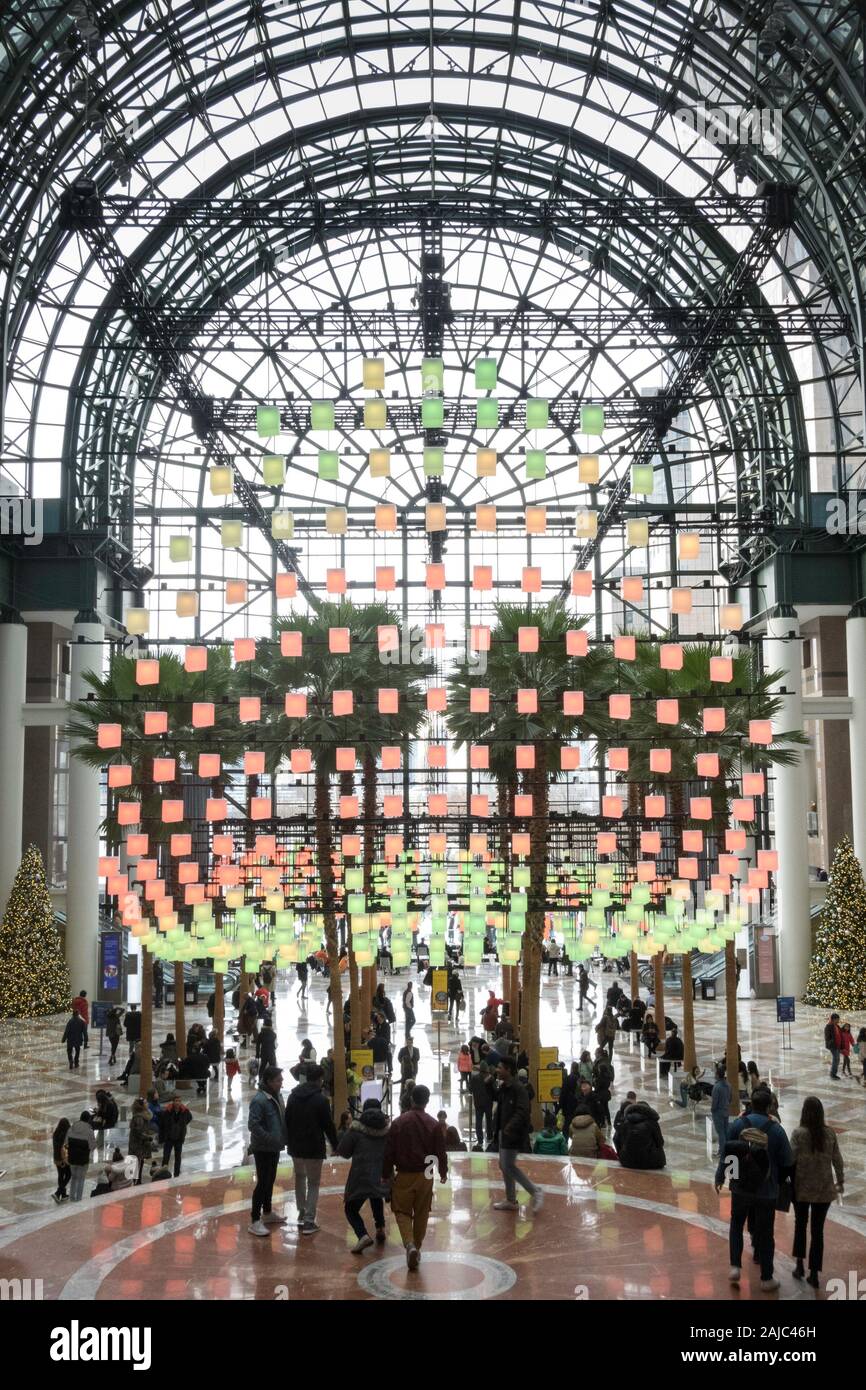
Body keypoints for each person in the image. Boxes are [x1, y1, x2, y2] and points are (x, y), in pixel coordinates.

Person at [715, 1087, 793, 1292]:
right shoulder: (776, 1130)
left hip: (740, 1187)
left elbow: (727, 1153)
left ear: (750, 1104)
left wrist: (722, 1176)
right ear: (769, 1107)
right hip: (767, 1190)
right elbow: (787, 1161)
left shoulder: (738, 1124)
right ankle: (767, 1278)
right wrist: (779, 1179)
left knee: (736, 1224)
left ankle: (735, 1266)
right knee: (766, 1234)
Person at [382, 1084, 447, 1270]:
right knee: (422, 1212)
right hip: (426, 1173)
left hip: (404, 1172)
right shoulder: (434, 1124)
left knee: (402, 1211)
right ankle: (416, 1248)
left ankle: (409, 1244)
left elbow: (389, 1151)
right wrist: (443, 1172)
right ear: (427, 1101)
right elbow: (440, 1152)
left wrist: (386, 1174)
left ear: (411, 1099)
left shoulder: (399, 1122)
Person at [790, 1095, 844, 1289]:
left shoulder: (798, 1133)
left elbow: (790, 1159)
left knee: (800, 1225)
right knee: (817, 1230)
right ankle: (814, 1273)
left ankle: (799, 1266)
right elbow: (837, 1159)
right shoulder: (829, 1134)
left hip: (801, 1188)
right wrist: (841, 1180)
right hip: (824, 1190)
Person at [284, 1063, 338, 1235]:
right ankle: (309, 1220)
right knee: (313, 1183)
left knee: (299, 1177)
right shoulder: (321, 1100)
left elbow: (287, 1120)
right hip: (313, 1147)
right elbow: (328, 1126)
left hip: (295, 1147)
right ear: (320, 1079)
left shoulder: (293, 1096)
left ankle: (301, 1212)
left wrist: (288, 1142)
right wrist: (336, 1146)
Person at [338, 1097, 391, 1253]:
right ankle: (380, 1228)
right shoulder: (387, 1129)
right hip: (381, 1174)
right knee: (376, 1197)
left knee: (350, 1208)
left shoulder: (356, 1129)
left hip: (360, 1175)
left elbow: (344, 1152)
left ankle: (362, 1235)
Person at [493, 1056, 542, 1213]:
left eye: (500, 1067)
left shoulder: (518, 1089)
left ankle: (535, 1191)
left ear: (508, 1070)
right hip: (503, 1132)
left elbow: (522, 1111)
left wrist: (509, 1126)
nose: (497, 1070)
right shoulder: (504, 1087)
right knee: (504, 1165)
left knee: (507, 1165)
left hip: (512, 1133)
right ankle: (511, 1200)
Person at [247, 1064, 288, 1236]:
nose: (281, 1083)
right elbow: (253, 1125)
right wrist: (271, 1139)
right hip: (263, 1148)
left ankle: (268, 1211)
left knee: (270, 1179)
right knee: (263, 1182)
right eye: (278, 1080)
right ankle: (255, 1220)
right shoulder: (259, 1100)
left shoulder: (276, 1096)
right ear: (269, 1081)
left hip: (274, 1147)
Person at [616, 1102, 666, 1170]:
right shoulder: (652, 1123)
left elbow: (616, 1139)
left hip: (627, 1161)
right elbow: (660, 1142)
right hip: (649, 1162)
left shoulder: (626, 1122)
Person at [157, 1096, 192, 1177]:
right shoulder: (167, 1111)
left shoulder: (185, 1111)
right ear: (173, 1102)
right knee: (166, 1156)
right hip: (169, 1138)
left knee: (178, 1157)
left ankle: (176, 1174)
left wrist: (181, 1126)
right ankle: (163, 1174)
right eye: (176, 1101)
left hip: (179, 1138)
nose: (177, 1103)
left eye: (179, 1101)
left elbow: (189, 1118)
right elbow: (162, 1124)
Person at [66, 1112, 97, 1201]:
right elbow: (93, 1146)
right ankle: (78, 1199)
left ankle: (71, 1197)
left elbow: (66, 1142)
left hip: (72, 1158)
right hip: (83, 1160)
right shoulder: (89, 1131)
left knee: (74, 1178)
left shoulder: (72, 1128)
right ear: (88, 1120)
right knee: (81, 1179)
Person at [468, 1060, 495, 1150]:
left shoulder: (474, 1078)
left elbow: (470, 1089)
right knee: (489, 1120)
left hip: (478, 1102)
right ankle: (490, 1137)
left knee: (478, 1122)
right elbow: (494, 1090)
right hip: (488, 1103)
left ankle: (480, 1140)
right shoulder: (490, 1078)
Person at [711, 1065, 731, 1155]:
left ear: (718, 1075)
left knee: (720, 1132)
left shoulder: (717, 1087)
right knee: (726, 1131)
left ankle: (722, 1151)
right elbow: (730, 1098)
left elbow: (715, 1101)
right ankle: (726, 1150)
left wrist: (712, 1109)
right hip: (726, 1110)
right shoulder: (728, 1085)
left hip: (718, 1112)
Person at [52, 1117, 71, 1203]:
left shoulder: (56, 1133)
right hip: (64, 1159)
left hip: (57, 1158)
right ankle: (58, 1192)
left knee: (61, 1175)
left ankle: (63, 1195)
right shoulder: (65, 1135)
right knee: (68, 1174)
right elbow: (66, 1147)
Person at [823, 1012, 842, 1079]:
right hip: (833, 1046)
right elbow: (827, 1037)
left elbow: (840, 1033)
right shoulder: (828, 1027)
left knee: (837, 1059)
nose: (838, 1021)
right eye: (837, 1019)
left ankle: (833, 1073)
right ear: (833, 1019)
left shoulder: (836, 1026)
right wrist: (832, 1041)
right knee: (836, 1059)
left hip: (838, 1045)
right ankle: (833, 1074)